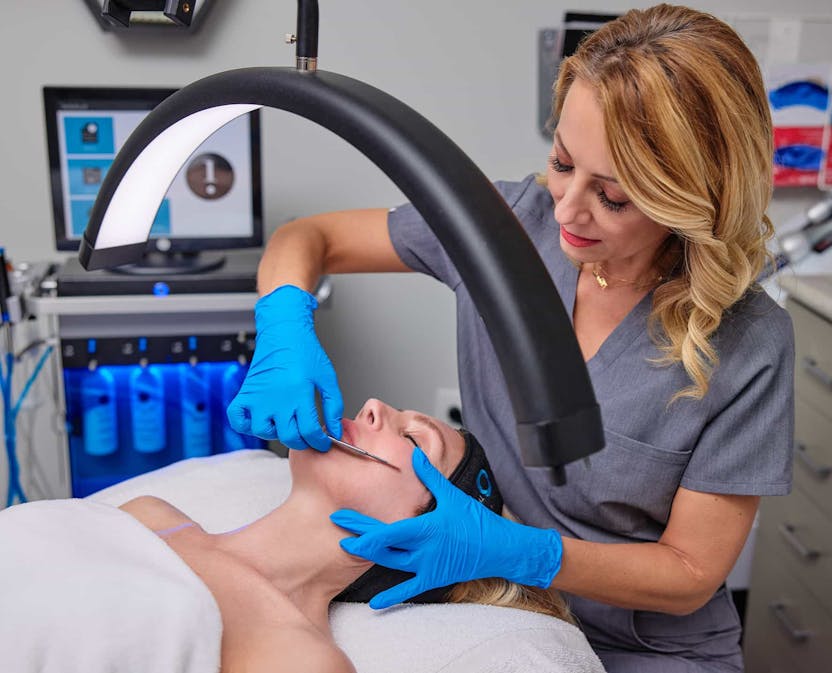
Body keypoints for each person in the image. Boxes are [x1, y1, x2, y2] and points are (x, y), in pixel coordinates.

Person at [226, 4, 794, 671]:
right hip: (502, 603)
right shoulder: (508, 229)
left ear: (693, 200)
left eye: (613, 196)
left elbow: (692, 570)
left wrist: (520, 549)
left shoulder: (750, 341)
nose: (567, 208)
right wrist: (283, 326)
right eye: (561, 162)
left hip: (650, 647)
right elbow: (308, 238)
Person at [121, 398, 574, 673]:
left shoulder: (295, 658)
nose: (373, 405)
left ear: (414, 533)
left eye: (415, 441)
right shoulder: (150, 513)